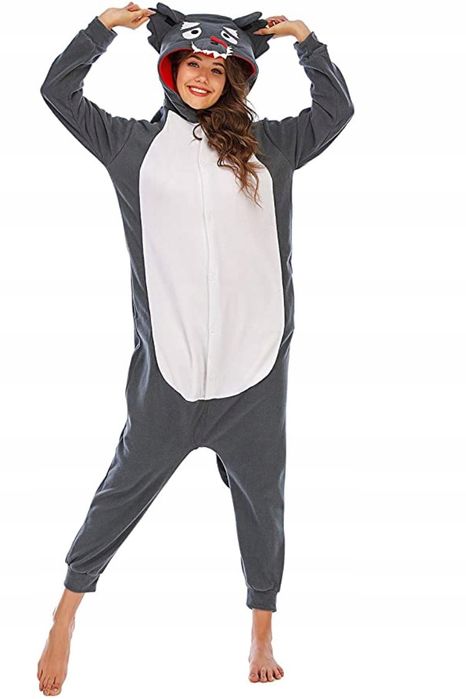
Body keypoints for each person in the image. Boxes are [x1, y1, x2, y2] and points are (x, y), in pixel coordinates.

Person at [37, 2, 354, 693]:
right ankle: (65, 613)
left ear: (235, 76)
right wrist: (100, 31)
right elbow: (58, 92)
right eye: (192, 63)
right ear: (170, 68)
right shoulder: (131, 147)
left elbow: (337, 111)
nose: (203, 76)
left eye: (217, 66)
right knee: (120, 491)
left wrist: (308, 43)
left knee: (263, 501)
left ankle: (262, 626)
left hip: (254, 370)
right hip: (170, 376)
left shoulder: (271, 147)